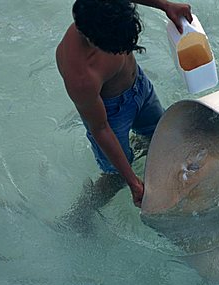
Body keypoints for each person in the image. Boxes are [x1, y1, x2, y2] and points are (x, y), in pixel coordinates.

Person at [56, 0, 192, 209]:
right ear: (94, 42)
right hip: (111, 114)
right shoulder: (81, 76)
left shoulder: (100, 8)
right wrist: (133, 181)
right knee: (115, 176)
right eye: (117, 48)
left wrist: (166, 6)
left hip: (140, 86)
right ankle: (81, 215)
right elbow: (100, 129)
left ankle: (136, 147)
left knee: (160, 135)